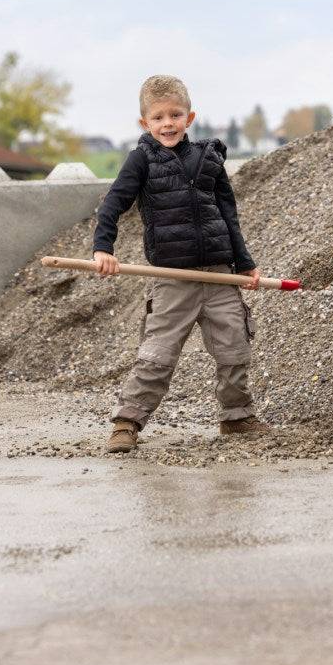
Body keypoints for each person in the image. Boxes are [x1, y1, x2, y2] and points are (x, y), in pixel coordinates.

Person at [92, 74, 269, 453]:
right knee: (157, 355)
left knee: (234, 350)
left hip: (221, 276)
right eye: (158, 117)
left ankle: (236, 417)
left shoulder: (209, 158)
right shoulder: (141, 160)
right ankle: (127, 423)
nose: (167, 123)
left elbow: (227, 213)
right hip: (172, 278)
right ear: (145, 124)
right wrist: (103, 248)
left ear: (190, 118)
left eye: (175, 115)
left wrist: (245, 264)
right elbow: (113, 204)